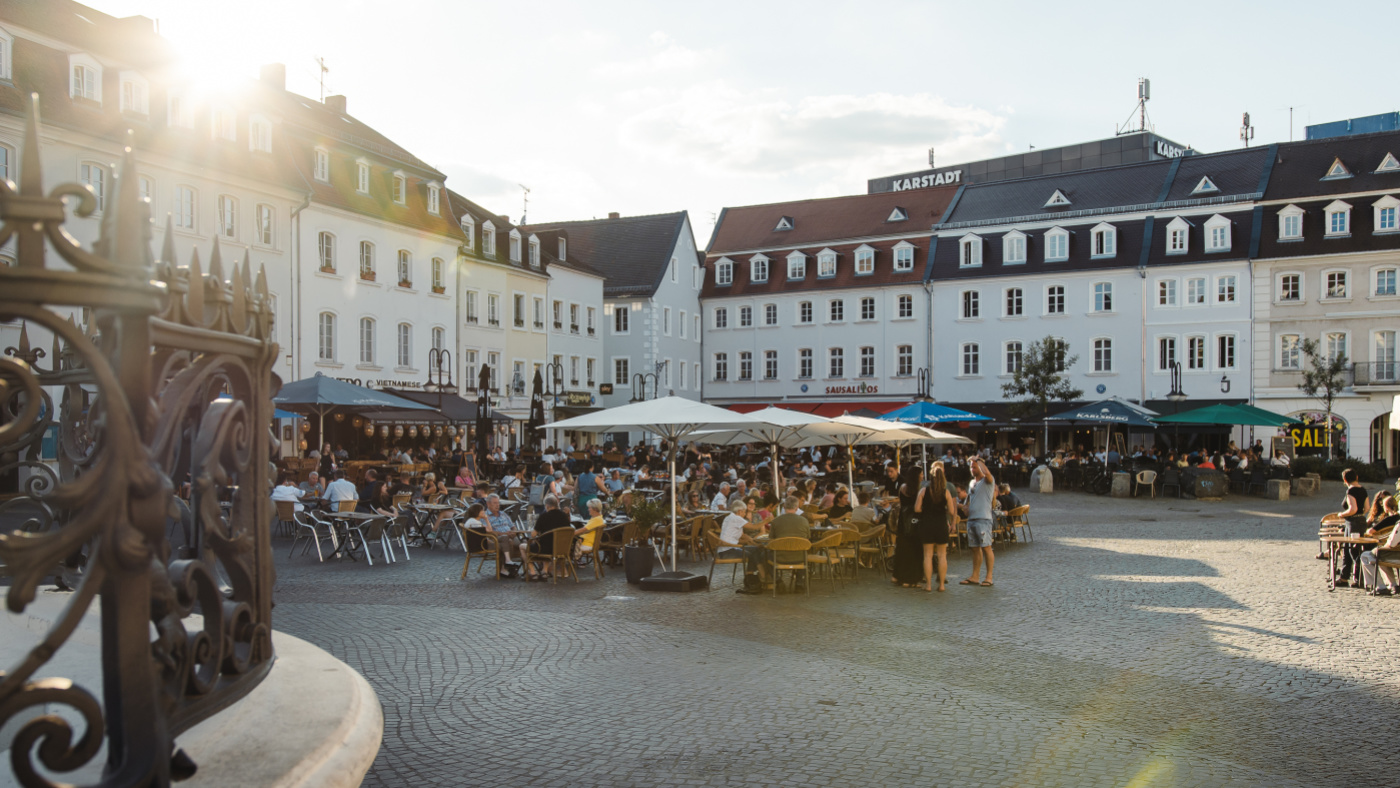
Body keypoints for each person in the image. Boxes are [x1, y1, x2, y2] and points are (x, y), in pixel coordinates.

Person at [915, 462, 957, 592]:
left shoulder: (923, 490)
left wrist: (926, 510)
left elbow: (916, 509)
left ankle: (928, 585)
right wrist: (950, 520)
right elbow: (951, 511)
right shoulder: (946, 492)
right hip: (941, 525)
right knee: (942, 556)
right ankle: (942, 585)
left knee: (927, 555)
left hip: (927, 524)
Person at [1328, 468, 1370, 585]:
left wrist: (1342, 514)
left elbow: (1353, 509)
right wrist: (1361, 515)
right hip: (1361, 521)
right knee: (1352, 549)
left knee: (1352, 550)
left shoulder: (1351, 491)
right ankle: (1349, 577)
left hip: (1353, 523)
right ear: (1356, 477)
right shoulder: (1363, 490)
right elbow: (1367, 508)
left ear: (1345, 480)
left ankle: (1354, 579)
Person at [519, 495, 575, 581]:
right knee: (548, 541)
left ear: (547, 506)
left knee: (522, 546)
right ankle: (544, 572)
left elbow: (533, 535)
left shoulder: (544, 516)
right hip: (561, 549)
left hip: (545, 549)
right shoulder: (564, 516)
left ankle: (533, 573)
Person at [959, 458, 996, 587]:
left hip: (983, 519)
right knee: (975, 549)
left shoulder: (987, 481)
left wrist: (979, 461)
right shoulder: (971, 483)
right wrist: (965, 507)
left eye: (974, 467)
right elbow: (969, 499)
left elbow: (988, 474)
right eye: (971, 467)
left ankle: (989, 577)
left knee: (986, 547)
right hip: (972, 519)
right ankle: (975, 576)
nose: (972, 469)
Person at [891, 466, 925, 588]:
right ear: (917, 476)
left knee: (902, 549)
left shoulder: (902, 487)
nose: (922, 476)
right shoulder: (919, 490)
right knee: (915, 550)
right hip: (915, 522)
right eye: (921, 474)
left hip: (903, 521)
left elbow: (901, 502)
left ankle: (899, 576)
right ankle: (911, 579)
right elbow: (919, 507)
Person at [1360, 496, 1400, 594]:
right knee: (1379, 556)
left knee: (1366, 556)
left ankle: (1380, 586)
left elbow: (1391, 544)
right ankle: (1393, 585)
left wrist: (1382, 548)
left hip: (1395, 555)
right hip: (1394, 554)